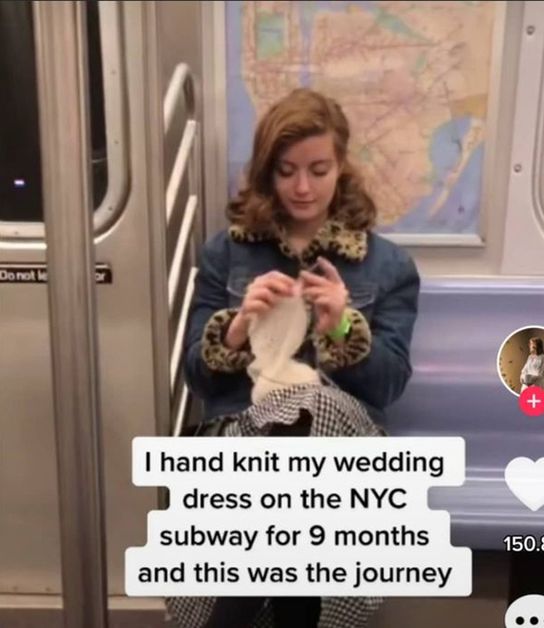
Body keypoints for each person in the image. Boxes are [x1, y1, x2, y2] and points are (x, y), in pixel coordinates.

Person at [180, 87, 420, 626]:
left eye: (319, 169)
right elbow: (197, 373)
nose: (303, 187)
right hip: (242, 446)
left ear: (341, 169)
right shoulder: (226, 253)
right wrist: (239, 327)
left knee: (309, 439)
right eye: (287, 171)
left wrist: (342, 324)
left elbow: (386, 387)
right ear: (268, 173)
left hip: (340, 458)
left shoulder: (388, 268)